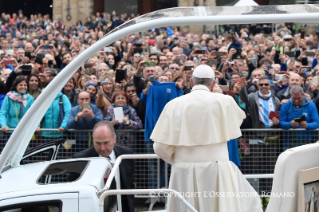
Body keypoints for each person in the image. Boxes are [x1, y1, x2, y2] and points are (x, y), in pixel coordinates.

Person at [150, 65, 262, 212]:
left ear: (191, 82)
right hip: (217, 169)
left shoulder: (174, 105)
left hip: (183, 171)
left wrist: (179, 159)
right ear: (214, 83)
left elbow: (160, 148)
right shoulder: (225, 102)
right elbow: (237, 122)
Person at [71, 121, 135, 212]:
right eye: (98, 143)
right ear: (93, 140)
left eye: (106, 143)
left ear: (114, 138)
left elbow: (130, 185)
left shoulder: (126, 154)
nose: (102, 148)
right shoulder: (80, 160)